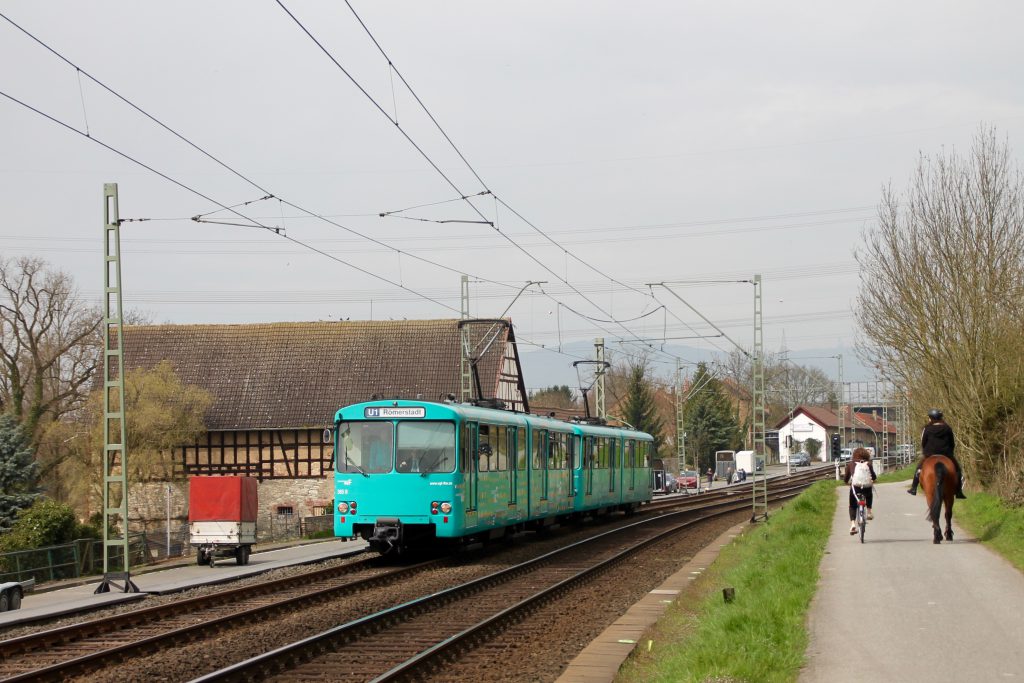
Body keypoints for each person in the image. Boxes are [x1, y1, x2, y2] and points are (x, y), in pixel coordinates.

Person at [907, 408, 966, 499]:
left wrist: (926, 451)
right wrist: (950, 452)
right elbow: (952, 442)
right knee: (957, 469)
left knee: (919, 468)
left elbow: (923, 442)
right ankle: (959, 491)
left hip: (930, 454)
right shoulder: (947, 428)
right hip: (946, 454)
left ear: (931, 418)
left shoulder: (926, 428)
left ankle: (914, 488)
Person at [844, 447, 877, 534]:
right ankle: (869, 511)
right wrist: (873, 480)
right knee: (869, 494)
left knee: (852, 505)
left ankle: (853, 524)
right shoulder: (868, 464)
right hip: (866, 488)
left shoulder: (851, 464)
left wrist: (846, 482)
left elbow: (846, 478)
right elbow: (874, 477)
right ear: (866, 455)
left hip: (856, 487)